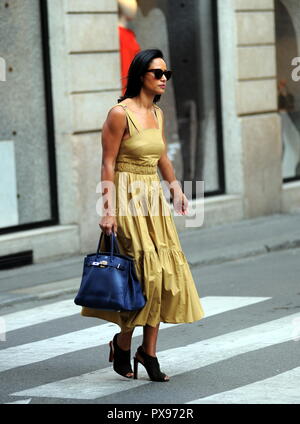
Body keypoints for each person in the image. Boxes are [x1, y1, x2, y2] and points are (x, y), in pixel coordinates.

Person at [81, 49, 205, 382]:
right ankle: (123, 344)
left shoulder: (158, 114)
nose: (163, 78)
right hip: (126, 197)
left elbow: (161, 155)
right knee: (143, 276)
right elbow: (107, 163)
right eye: (157, 73)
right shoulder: (120, 113)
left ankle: (147, 353)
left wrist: (176, 188)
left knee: (163, 276)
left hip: (152, 199)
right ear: (141, 76)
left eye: (167, 73)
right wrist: (108, 210)